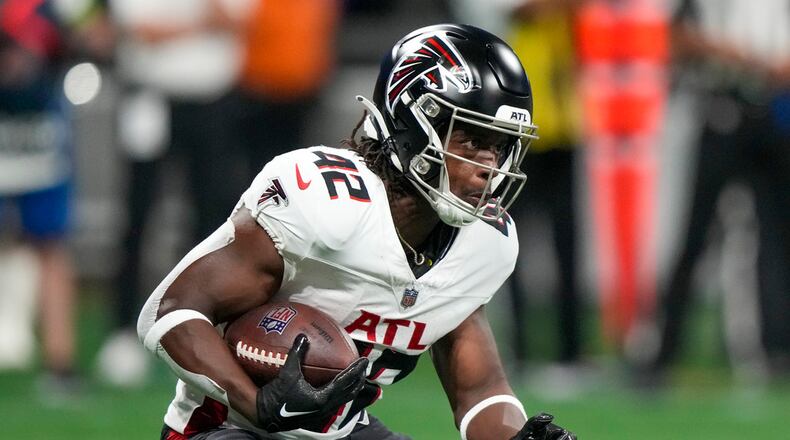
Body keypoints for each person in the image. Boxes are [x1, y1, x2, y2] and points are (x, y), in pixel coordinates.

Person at [137, 24, 576, 440]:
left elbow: (478, 390)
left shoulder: (485, 242)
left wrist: (517, 435)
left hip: (339, 431)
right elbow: (172, 311)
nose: (489, 167)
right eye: (472, 141)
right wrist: (256, 403)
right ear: (411, 125)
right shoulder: (324, 203)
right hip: (228, 427)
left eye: (501, 146)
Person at [0, 0, 78, 389]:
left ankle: (59, 363)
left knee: (50, 244)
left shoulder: (45, 10)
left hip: (39, 131)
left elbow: (86, 39)